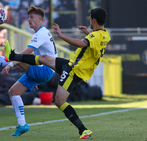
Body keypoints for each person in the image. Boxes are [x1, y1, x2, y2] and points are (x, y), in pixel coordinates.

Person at [7, 7, 111, 139]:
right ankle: (13, 56)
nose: (89, 21)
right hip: (71, 64)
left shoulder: (94, 36)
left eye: (90, 19)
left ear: (94, 20)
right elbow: (94, 40)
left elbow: (81, 43)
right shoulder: (105, 35)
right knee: (44, 58)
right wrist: (88, 32)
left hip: (74, 70)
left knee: (59, 101)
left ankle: (83, 129)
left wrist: (61, 36)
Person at [0, 6, 58, 136]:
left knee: (15, 56)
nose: (29, 20)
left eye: (32, 17)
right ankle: (22, 125)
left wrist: (10, 65)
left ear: (40, 19)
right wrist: (34, 76)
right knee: (13, 92)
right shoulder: (41, 32)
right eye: (28, 17)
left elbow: (26, 54)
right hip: (42, 70)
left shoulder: (40, 34)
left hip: (45, 70)